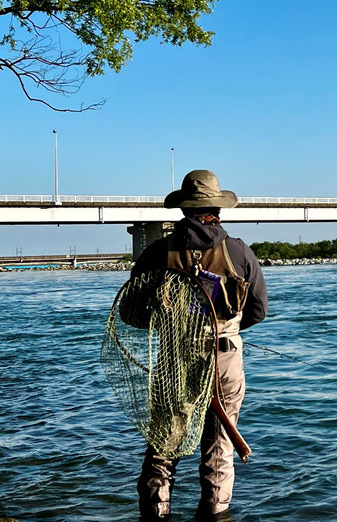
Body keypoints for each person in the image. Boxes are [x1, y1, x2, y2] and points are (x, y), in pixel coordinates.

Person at [132, 169, 268, 521]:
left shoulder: (157, 253)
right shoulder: (238, 251)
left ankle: (155, 514)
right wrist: (227, 332)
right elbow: (258, 311)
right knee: (219, 449)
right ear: (218, 211)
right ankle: (215, 516)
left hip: (174, 360)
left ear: (183, 210)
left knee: (164, 445)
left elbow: (130, 312)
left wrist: (167, 324)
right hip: (226, 359)